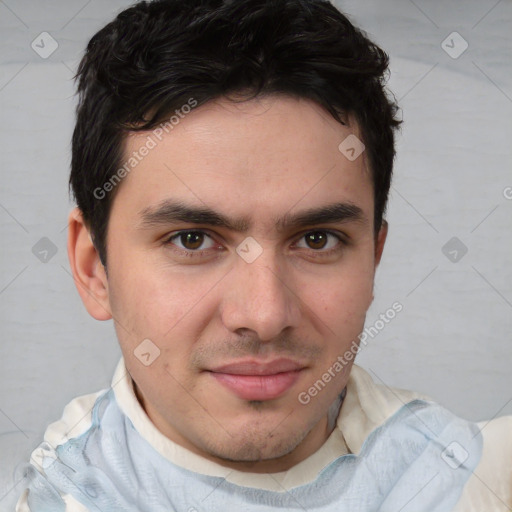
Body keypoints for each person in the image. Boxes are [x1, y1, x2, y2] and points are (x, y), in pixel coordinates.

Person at [16, 0, 511, 510]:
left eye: (317, 239)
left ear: (375, 259)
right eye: (192, 239)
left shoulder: (481, 481)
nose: (265, 315)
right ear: (94, 267)